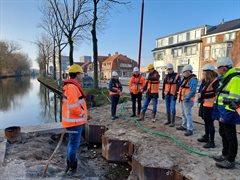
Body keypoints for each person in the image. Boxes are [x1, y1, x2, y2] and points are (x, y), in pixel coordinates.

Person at [212, 57, 240, 169]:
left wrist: (227, 114)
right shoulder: (226, 78)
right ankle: (225, 154)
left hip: (229, 112)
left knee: (230, 136)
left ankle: (230, 160)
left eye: (218, 69)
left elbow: (235, 99)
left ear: (223, 68)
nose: (217, 71)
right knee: (223, 133)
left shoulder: (235, 79)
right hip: (223, 111)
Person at [62, 64, 88, 174]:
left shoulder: (69, 86)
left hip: (71, 121)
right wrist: (82, 114)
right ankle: (72, 165)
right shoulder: (72, 87)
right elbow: (73, 107)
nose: (82, 75)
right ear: (77, 75)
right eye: (81, 73)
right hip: (75, 121)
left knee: (71, 143)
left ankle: (69, 162)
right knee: (74, 144)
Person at [197, 64, 219, 148]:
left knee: (210, 123)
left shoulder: (215, 81)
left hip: (210, 106)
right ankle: (206, 137)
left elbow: (215, 93)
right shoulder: (206, 81)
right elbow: (203, 91)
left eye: (204, 72)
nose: (203, 74)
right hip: (204, 104)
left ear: (208, 72)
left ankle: (212, 142)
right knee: (206, 122)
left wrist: (203, 96)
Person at [176, 64, 198, 136]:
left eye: (184, 72)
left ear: (188, 72)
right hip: (183, 99)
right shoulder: (185, 79)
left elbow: (193, 91)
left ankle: (190, 129)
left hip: (187, 100)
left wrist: (187, 98)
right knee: (183, 113)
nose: (183, 74)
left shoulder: (193, 80)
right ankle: (184, 125)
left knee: (188, 114)